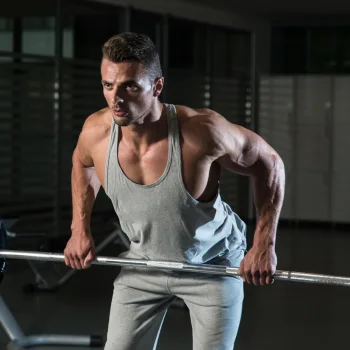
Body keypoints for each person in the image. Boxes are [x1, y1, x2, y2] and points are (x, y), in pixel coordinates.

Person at [63, 32, 285, 350]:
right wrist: (78, 228)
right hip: (143, 262)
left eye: (130, 86)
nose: (116, 99)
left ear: (157, 86)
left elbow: (270, 165)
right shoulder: (96, 132)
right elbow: (82, 165)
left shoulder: (201, 132)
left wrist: (264, 243)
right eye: (108, 85)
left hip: (214, 264)